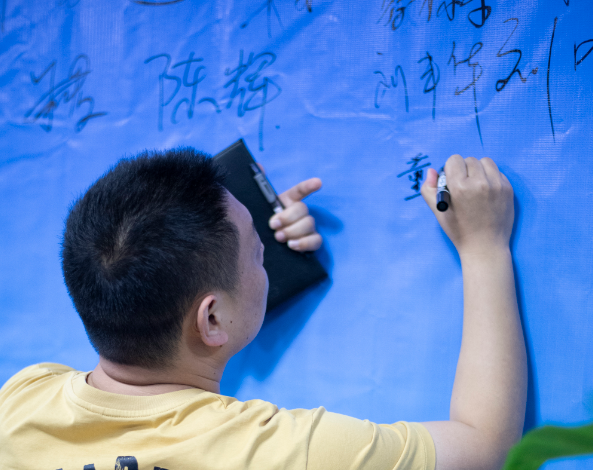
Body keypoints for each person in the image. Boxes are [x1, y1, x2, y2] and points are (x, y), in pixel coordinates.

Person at [0, 148, 526, 470]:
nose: (263, 254)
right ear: (211, 320)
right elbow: (485, 447)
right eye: (258, 252)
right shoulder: (280, 454)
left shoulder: (21, 399)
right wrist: (484, 248)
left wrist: (244, 249)